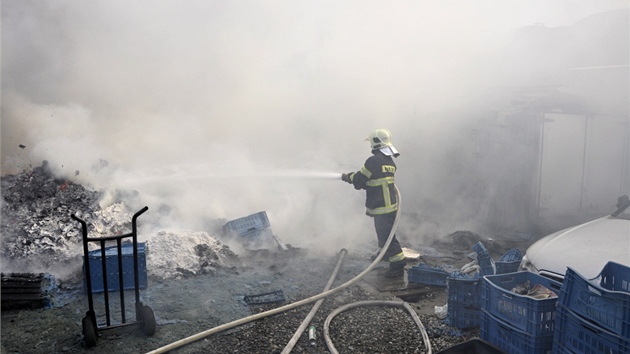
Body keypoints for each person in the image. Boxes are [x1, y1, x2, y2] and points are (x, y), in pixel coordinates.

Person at [341, 128, 406, 278]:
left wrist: (347, 177)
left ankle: (398, 264)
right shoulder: (390, 162)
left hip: (381, 206)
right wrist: (363, 183)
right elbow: (374, 181)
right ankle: (384, 254)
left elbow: (359, 179)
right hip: (389, 205)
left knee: (387, 236)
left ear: (376, 142)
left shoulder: (373, 161)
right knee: (383, 233)